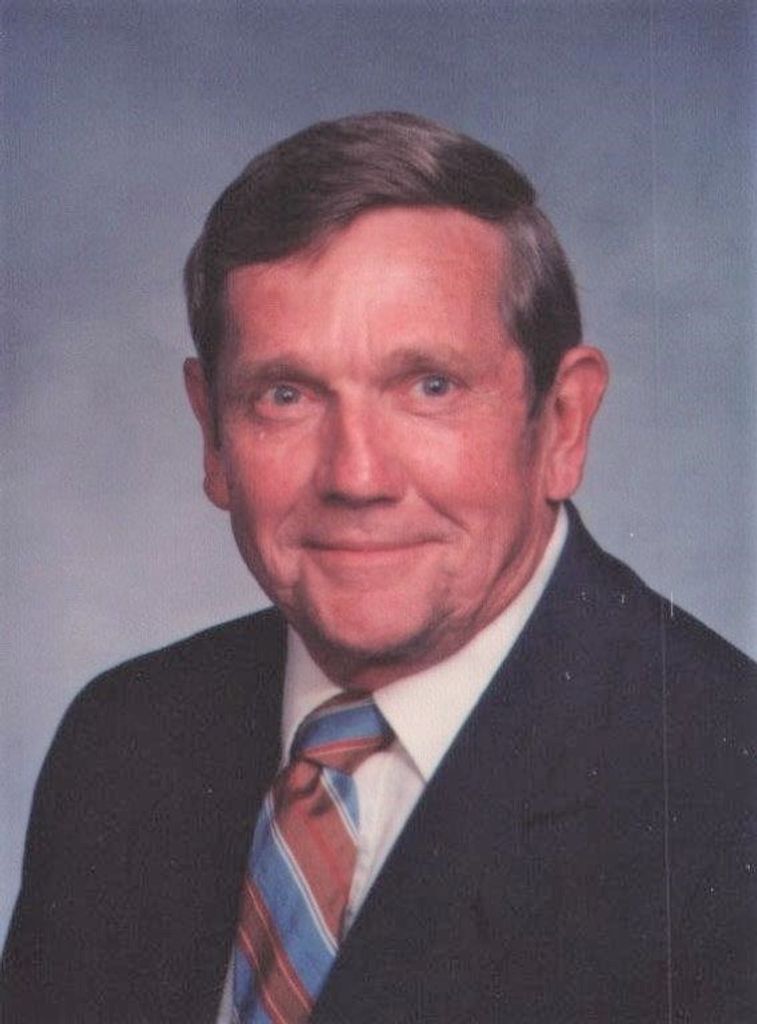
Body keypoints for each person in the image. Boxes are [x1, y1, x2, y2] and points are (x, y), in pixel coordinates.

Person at [2, 112, 754, 1024]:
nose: (356, 477)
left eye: (430, 387)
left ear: (561, 423)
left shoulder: (725, 793)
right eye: (285, 395)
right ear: (212, 434)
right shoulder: (125, 742)